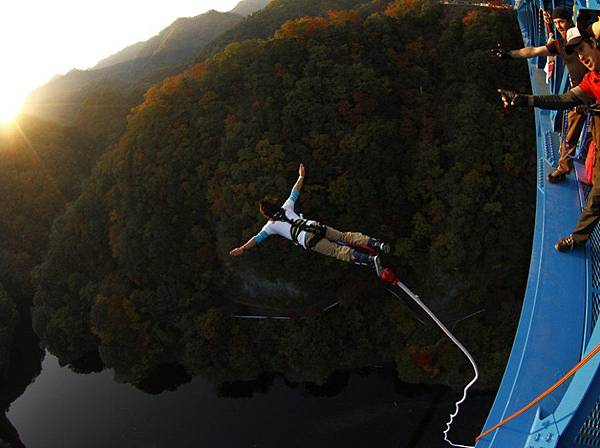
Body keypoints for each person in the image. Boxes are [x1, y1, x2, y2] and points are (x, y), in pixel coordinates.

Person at [498, 25, 600, 252]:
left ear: (594, 44)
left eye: (583, 49)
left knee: (597, 196)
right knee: (596, 192)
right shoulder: (591, 81)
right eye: (578, 53)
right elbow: (563, 100)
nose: (582, 57)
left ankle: (577, 238)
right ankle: (578, 238)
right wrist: (525, 100)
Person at [229, 163, 389, 272]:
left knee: (337, 250)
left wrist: (242, 248)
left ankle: (368, 259)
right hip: (314, 226)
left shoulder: (270, 226)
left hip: (307, 239)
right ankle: (377, 243)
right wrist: (301, 176)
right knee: (344, 236)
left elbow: (256, 239)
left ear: (267, 214)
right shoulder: (286, 207)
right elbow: (294, 191)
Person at [494, 7, 589, 183]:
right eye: (556, 23)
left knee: (583, 135)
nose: (559, 26)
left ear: (570, 20)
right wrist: (509, 54)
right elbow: (533, 51)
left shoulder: (585, 36)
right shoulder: (559, 44)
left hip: (591, 92)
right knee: (569, 137)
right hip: (578, 95)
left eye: (562, 21)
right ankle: (563, 168)